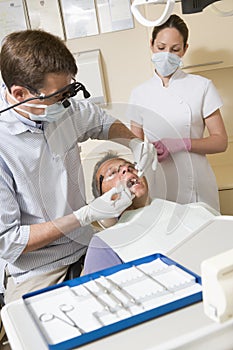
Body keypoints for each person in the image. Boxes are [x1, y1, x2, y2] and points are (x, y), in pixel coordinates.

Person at [0, 29, 157, 305]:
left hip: (88, 246)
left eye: (68, 91)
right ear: (20, 93)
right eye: (57, 96)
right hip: (39, 270)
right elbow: (10, 241)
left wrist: (134, 144)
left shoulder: (66, 109)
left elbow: (102, 123)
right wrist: (84, 215)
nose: (66, 103)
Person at [127, 14, 228, 212]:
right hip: (160, 184)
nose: (167, 55)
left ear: (184, 50)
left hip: (198, 185)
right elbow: (136, 147)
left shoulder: (202, 86)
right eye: (161, 47)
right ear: (152, 44)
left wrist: (182, 143)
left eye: (175, 50)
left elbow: (220, 141)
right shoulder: (139, 94)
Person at [83, 153, 219, 275]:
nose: (126, 170)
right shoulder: (105, 244)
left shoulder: (197, 209)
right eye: (112, 173)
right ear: (103, 199)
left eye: (130, 167)